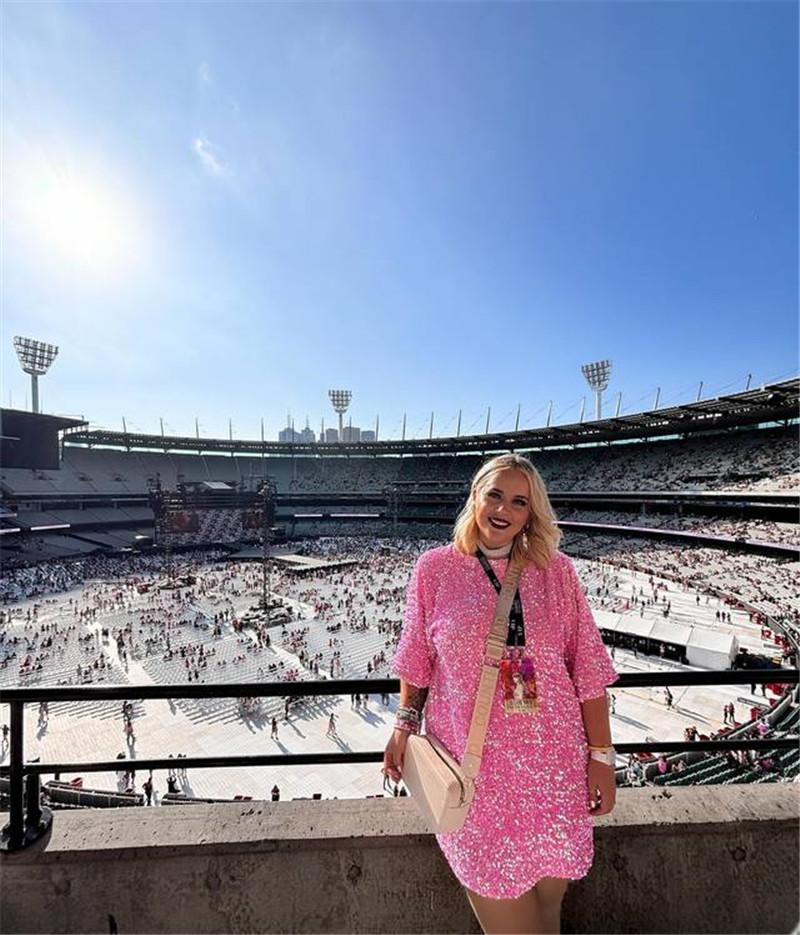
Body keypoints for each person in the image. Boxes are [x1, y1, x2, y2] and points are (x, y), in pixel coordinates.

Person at [383, 454, 620, 935]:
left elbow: (588, 670)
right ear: (475, 496)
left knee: (548, 913)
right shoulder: (434, 570)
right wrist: (403, 727)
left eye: (519, 502)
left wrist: (602, 756)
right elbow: (416, 662)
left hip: (553, 772)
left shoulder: (557, 573)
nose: (503, 510)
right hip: (476, 774)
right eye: (494, 495)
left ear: (532, 514)